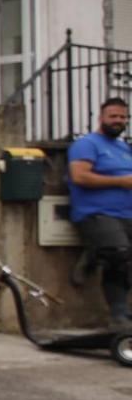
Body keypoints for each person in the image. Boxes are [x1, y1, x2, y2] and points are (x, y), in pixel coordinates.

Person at [67, 97, 132, 331]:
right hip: (96, 213)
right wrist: (121, 181)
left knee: (124, 259)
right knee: (118, 253)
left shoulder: (124, 148)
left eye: (123, 117)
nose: (119, 121)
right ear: (101, 118)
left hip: (126, 215)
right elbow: (80, 177)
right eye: (113, 116)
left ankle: (94, 252)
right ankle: (118, 315)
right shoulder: (87, 144)